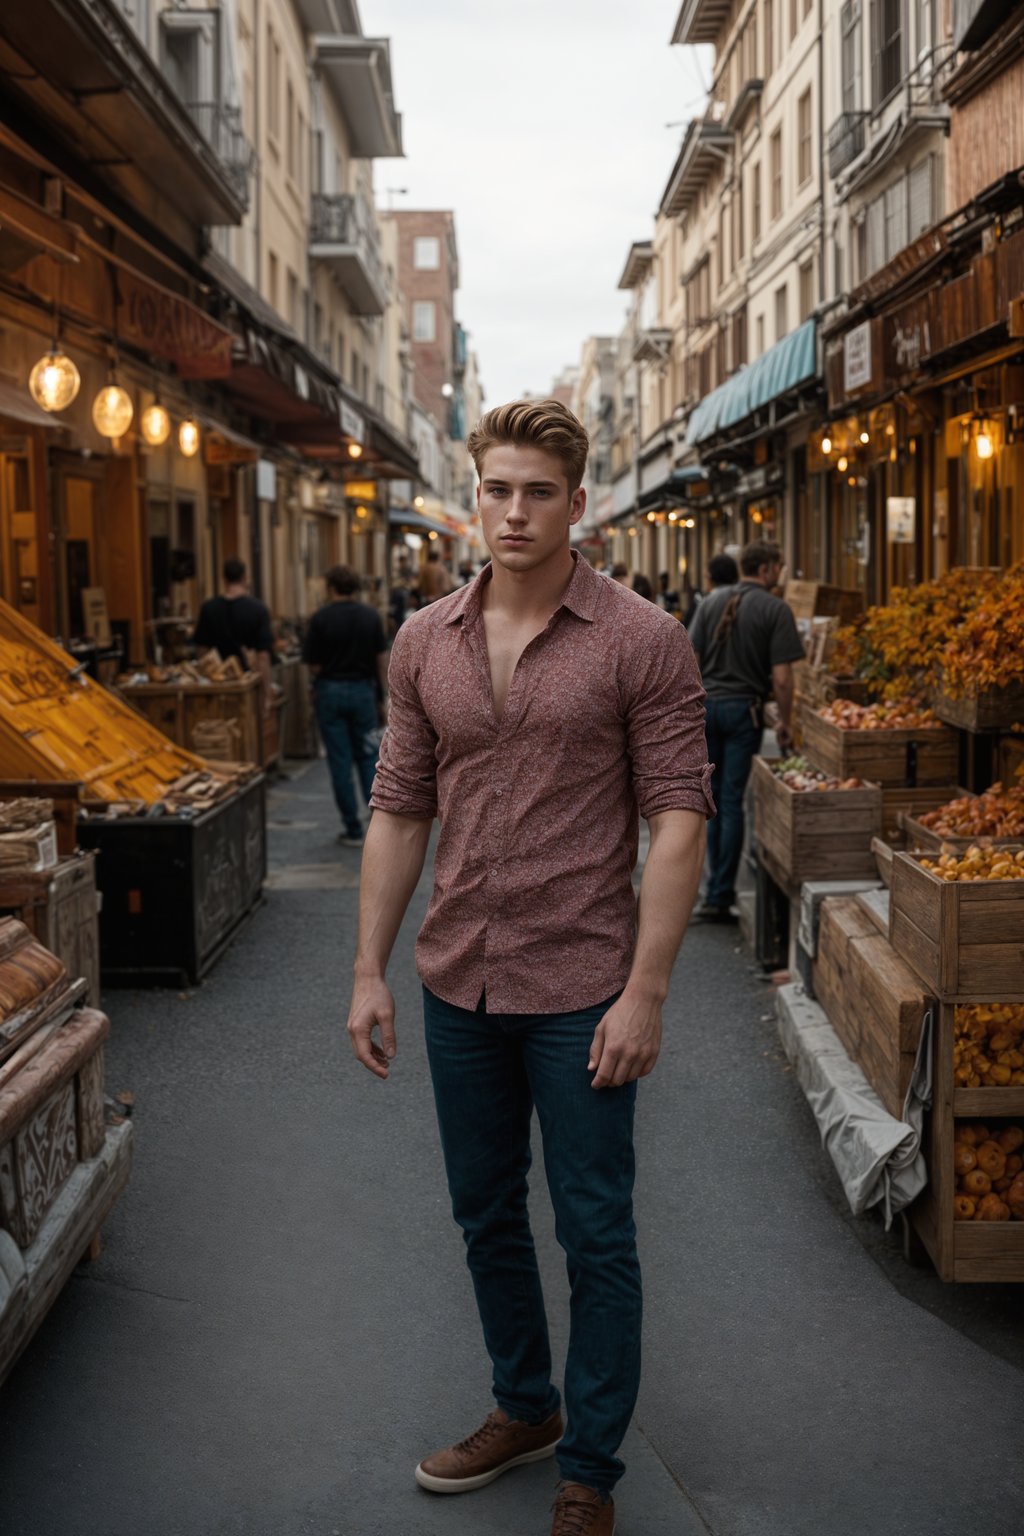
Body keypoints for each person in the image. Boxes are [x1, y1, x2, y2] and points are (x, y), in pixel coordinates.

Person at [346, 398, 713, 1536]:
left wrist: (646, 989)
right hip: (459, 976)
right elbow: (401, 809)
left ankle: (589, 1471)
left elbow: (678, 817)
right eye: (497, 489)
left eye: (537, 492)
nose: (514, 511)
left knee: (596, 1229)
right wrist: (368, 970)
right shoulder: (422, 642)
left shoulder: (639, 639)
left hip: (584, 982)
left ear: (576, 502)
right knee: (483, 1212)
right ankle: (525, 1405)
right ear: (474, 496)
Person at [687, 539, 804, 922]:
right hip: (744, 713)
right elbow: (783, 680)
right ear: (767, 568)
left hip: (707, 710)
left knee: (709, 801)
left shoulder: (709, 604)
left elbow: (690, 661)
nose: (781, 574)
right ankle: (721, 894)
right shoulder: (775, 609)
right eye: (780, 567)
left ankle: (706, 889)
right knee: (733, 800)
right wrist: (786, 722)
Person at [302, 565, 388, 847]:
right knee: (367, 757)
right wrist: (386, 696)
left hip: (330, 691)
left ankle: (352, 828)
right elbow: (381, 658)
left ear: (331, 588)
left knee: (339, 761)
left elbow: (313, 665)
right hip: (363, 691)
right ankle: (378, 825)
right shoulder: (370, 617)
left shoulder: (320, 619)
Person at [192, 557, 274, 714]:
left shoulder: (209, 609)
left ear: (224, 578)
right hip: (248, 685)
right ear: (245, 578)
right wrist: (267, 692)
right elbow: (262, 656)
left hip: (217, 687)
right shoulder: (258, 610)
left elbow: (202, 651)